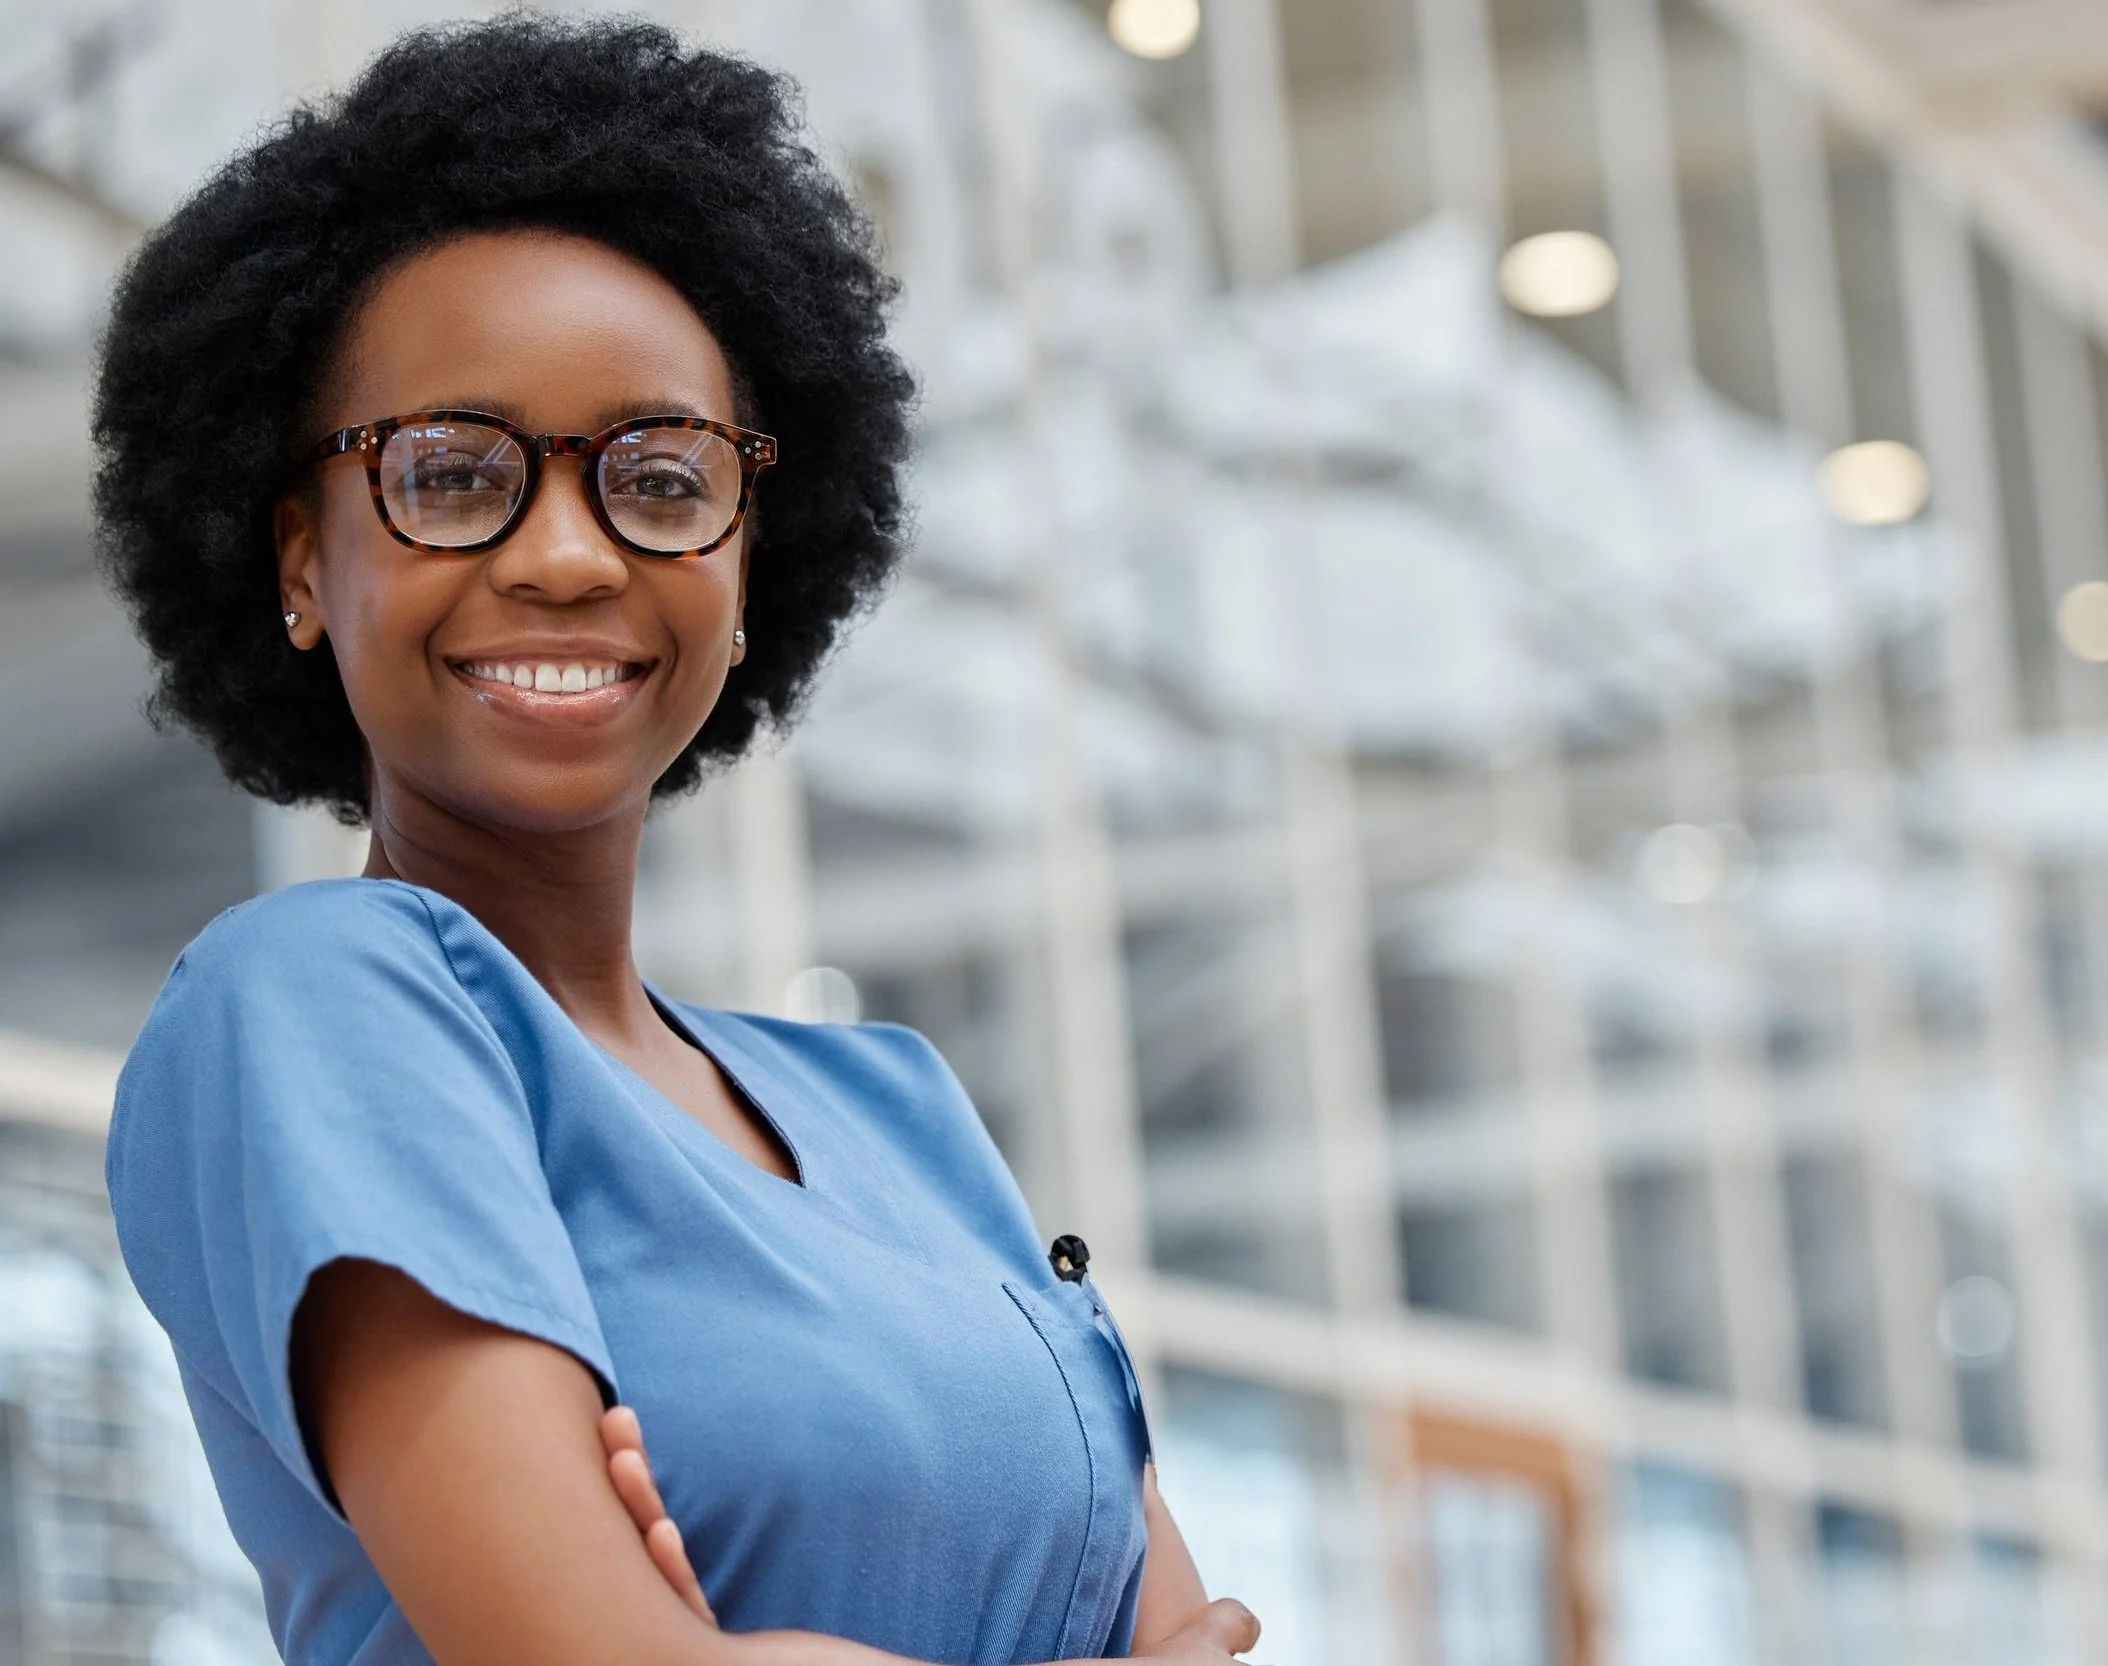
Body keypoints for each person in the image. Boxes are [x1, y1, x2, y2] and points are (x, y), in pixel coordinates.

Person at [95, 18, 1258, 1666]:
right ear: (301, 559)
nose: (566, 555)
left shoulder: (904, 1110)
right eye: (450, 471)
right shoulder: (314, 1002)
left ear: (747, 553)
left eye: (657, 475)